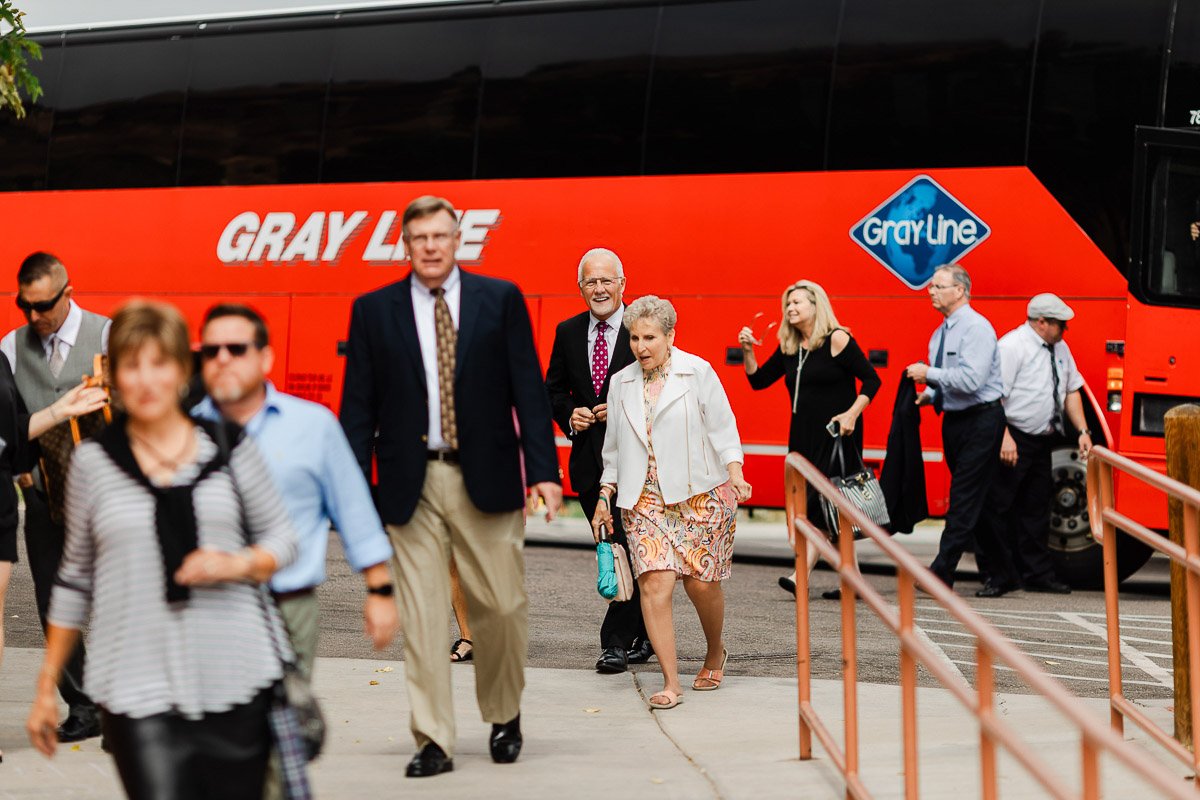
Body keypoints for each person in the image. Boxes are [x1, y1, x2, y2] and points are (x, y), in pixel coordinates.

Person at [26, 300, 300, 800]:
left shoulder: (229, 446)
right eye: (131, 364)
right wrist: (47, 687)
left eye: (159, 363)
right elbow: (73, 579)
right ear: (110, 375)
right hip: (134, 684)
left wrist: (237, 562)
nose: (146, 379)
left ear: (181, 370)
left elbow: (283, 539)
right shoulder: (94, 462)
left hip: (234, 674)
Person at [340, 195, 562, 778]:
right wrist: (350, 487)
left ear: (457, 239)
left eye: (440, 236)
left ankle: (503, 711)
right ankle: (434, 738)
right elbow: (358, 407)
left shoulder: (501, 300)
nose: (431, 247)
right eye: (419, 238)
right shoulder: (373, 310)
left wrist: (545, 470)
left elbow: (528, 392)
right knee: (424, 612)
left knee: (503, 607)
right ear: (405, 244)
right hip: (409, 479)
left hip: (486, 473)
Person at [591, 295, 751, 711]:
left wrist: (735, 472)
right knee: (656, 584)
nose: (641, 347)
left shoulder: (697, 372)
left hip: (699, 496)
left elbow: (723, 428)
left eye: (650, 338)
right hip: (642, 500)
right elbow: (614, 450)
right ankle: (670, 681)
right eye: (634, 338)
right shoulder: (622, 382)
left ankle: (715, 651)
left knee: (701, 585)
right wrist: (605, 496)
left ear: (670, 336)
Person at [1, 251, 110, 743]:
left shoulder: (108, 336)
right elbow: (9, 421)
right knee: (52, 602)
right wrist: (23, 474)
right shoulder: (9, 346)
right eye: (26, 306)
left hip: (107, 498)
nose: (35, 317)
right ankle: (84, 705)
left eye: (44, 305)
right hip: (45, 498)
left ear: (68, 293)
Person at [737, 280, 881, 599]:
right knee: (834, 511)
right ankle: (854, 580)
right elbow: (758, 381)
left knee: (821, 507)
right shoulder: (791, 347)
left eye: (798, 302)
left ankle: (800, 574)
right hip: (801, 437)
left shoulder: (837, 340)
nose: (791, 308)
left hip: (836, 435)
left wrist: (852, 414)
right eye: (788, 304)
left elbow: (872, 379)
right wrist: (748, 351)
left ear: (817, 306)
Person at [545, 247, 650, 675]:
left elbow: (660, 383)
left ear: (623, 284)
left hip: (641, 463)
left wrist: (624, 406)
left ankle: (615, 643)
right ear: (581, 288)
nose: (600, 288)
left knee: (631, 547)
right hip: (591, 464)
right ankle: (642, 634)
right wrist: (569, 413)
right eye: (591, 281)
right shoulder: (568, 332)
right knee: (617, 549)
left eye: (608, 280)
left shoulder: (641, 329)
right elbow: (552, 388)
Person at [974, 294, 1088, 597]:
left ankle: (1036, 573)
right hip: (1015, 435)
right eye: (1060, 324)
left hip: (1042, 438)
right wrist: (1004, 436)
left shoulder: (1059, 348)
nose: (1065, 329)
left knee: (1036, 508)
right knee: (998, 506)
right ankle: (996, 574)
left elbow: (1072, 390)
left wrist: (1083, 430)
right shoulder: (1012, 347)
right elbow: (993, 394)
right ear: (1041, 322)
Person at [905, 264, 1008, 590]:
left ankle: (942, 571)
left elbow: (972, 379)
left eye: (938, 286)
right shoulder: (942, 331)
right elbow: (950, 377)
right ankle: (1005, 573)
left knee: (963, 496)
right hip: (956, 421)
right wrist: (930, 395)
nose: (931, 291)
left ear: (960, 290)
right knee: (982, 499)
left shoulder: (976, 328)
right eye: (931, 286)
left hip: (982, 419)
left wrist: (928, 374)